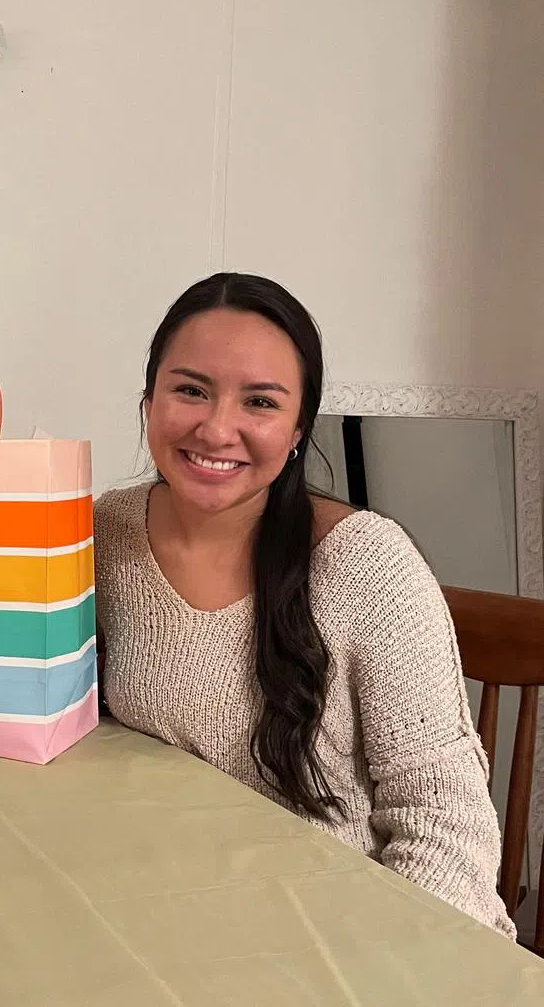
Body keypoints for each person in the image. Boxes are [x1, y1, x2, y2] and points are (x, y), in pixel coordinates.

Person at [94, 272, 516, 938]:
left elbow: (447, 830)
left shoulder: (365, 561)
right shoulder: (104, 534)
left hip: (358, 931)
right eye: (190, 389)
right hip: (186, 912)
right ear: (149, 401)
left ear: (296, 430)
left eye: (259, 401)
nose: (217, 427)